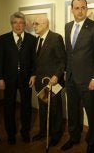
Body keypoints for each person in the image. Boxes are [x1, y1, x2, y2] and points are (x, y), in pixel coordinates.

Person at [62, 0, 94, 153]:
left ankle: (92, 141)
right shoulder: (67, 27)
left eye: (83, 7)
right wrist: (66, 72)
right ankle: (73, 137)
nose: (80, 11)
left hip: (88, 80)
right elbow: (69, 53)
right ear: (72, 9)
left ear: (86, 9)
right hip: (71, 79)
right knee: (72, 111)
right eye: (77, 8)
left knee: (92, 112)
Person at [0, 12, 36, 145]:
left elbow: (34, 60)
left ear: (24, 24)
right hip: (8, 79)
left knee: (26, 106)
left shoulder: (31, 39)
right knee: (9, 106)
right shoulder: (3, 39)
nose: (18, 25)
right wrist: (0, 78)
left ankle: (25, 132)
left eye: (21, 23)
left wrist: (33, 74)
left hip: (26, 79)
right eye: (15, 23)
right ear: (11, 24)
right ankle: (11, 134)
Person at [31, 16, 66, 147]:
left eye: (37, 24)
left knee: (55, 108)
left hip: (53, 82)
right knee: (43, 108)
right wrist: (33, 75)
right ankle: (43, 131)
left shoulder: (56, 38)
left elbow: (62, 61)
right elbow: (36, 62)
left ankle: (56, 135)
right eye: (34, 24)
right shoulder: (37, 40)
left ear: (46, 24)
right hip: (40, 82)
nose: (34, 26)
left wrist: (56, 76)